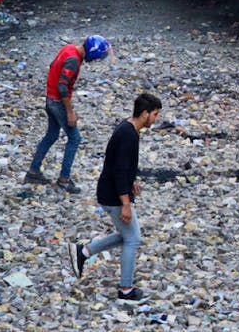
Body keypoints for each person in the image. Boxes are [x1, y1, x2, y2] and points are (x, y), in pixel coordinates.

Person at [67, 93, 162, 305]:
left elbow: (121, 166)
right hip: (113, 196)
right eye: (155, 115)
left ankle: (84, 251)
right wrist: (126, 203)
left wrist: (131, 181)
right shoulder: (128, 135)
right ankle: (125, 290)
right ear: (145, 113)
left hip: (111, 191)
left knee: (127, 235)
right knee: (133, 239)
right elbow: (119, 170)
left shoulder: (128, 129)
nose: (156, 119)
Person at [25, 35, 111, 193]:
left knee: (51, 135)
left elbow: (53, 67)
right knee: (75, 137)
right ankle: (64, 179)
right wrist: (70, 112)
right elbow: (62, 87)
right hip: (57, 102)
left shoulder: (69, 48)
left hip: (50, 99)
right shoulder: (73, 60)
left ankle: (33, 172)